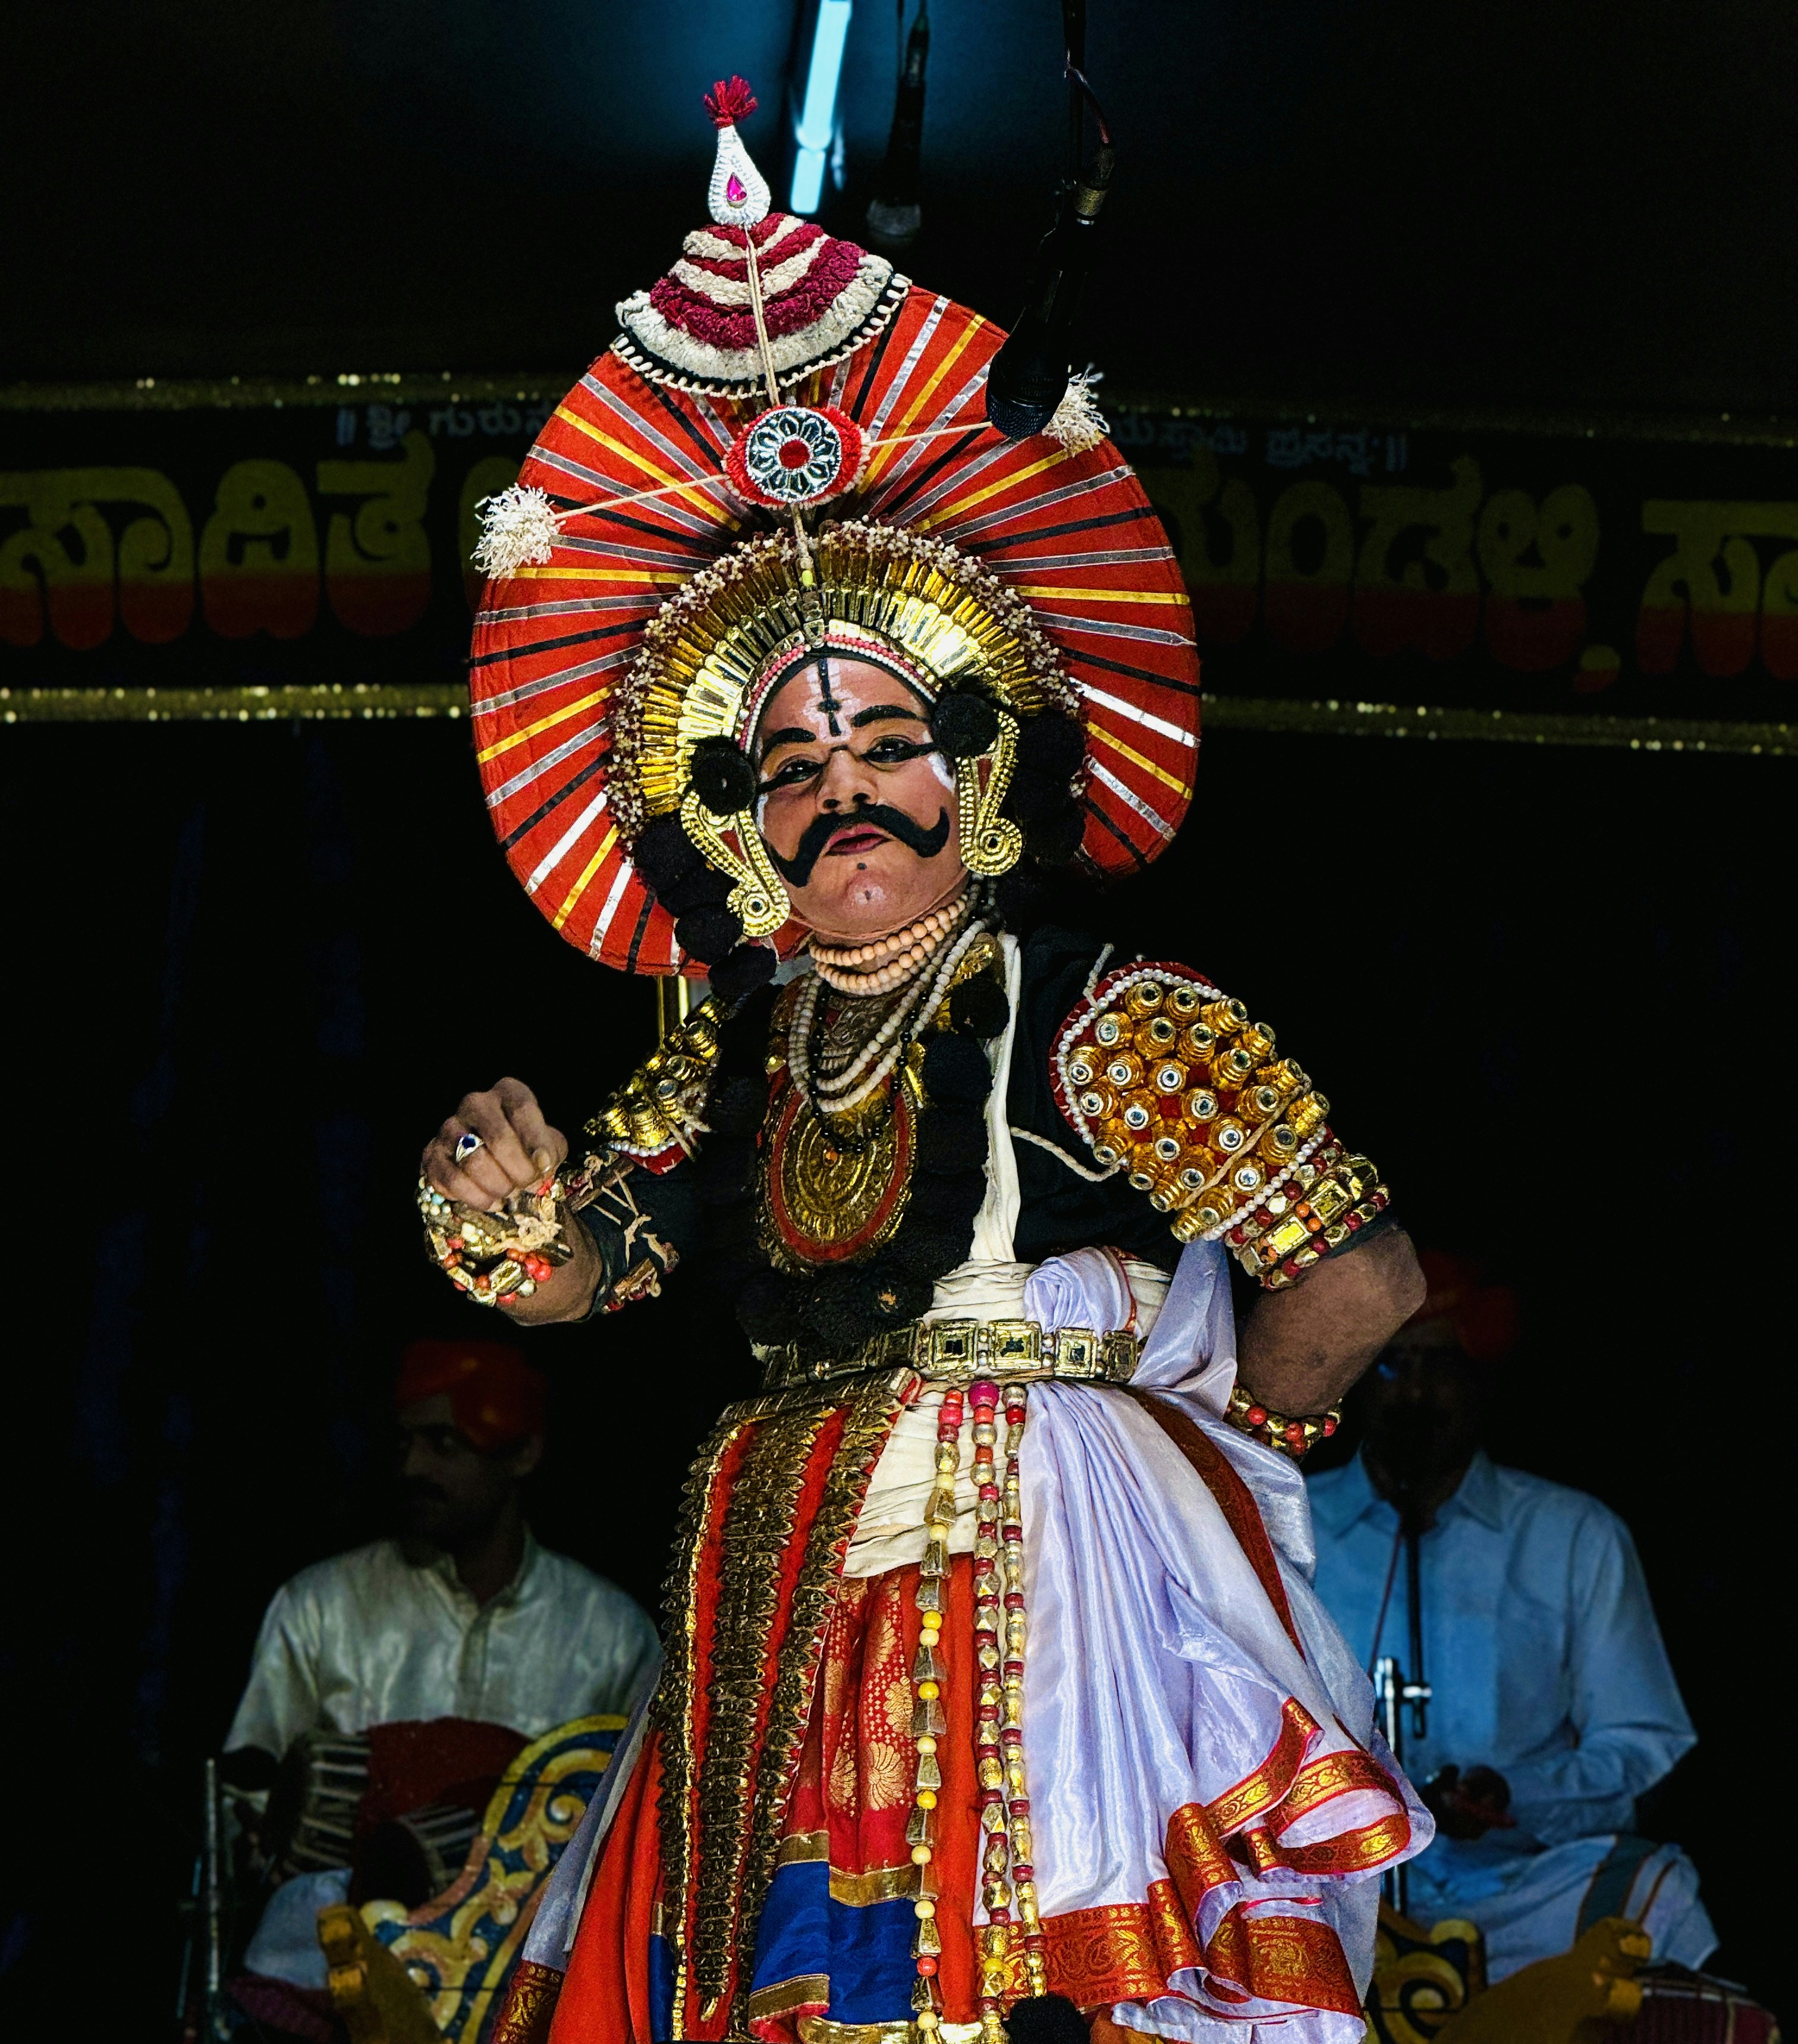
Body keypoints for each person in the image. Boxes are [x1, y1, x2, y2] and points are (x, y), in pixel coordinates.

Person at [422, 79, 1432, 2044]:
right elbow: (572, 1275)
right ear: (732, 823)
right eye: (786, 766)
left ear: (980, 762)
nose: (840, 794)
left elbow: (1361, 1278)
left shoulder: (1106, 1012)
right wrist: (500, 1204)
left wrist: (1215, 1467)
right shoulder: (736, 1047)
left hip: (1050, 1613)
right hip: (789, 1616)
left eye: (883, 741)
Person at [1306, 1256, 1716, 1981]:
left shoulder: (1573, 1534)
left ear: (1481, 1378)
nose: (1418, 1392)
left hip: (1510, 1892)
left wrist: (1513, 1793)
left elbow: (1639, 1741)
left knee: (1662, 1893)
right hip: (1333, 1888)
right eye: (1393, 1366)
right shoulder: (1291, 1520)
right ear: (1361, 1380)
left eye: (1441, 1365)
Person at [226, 1338, 659, 1767]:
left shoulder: (612, 1635)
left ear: (522, 1454)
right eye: (404, 1443)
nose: (412, 1466)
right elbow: (249, 1798)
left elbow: (646, 1809)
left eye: (443, 1442)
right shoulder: (321, 1608)